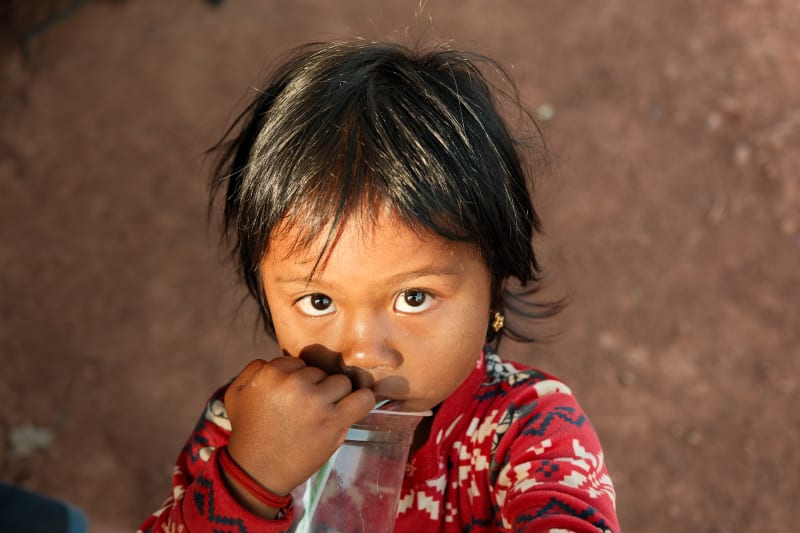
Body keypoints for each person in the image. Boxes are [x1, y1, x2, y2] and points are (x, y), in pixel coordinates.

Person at [138, 39, 619, 533]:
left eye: (413, 297)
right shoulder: (244, 424)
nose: (364, 353)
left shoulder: (529, 428)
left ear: (495, 284)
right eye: (318, 301)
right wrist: (248, 483)